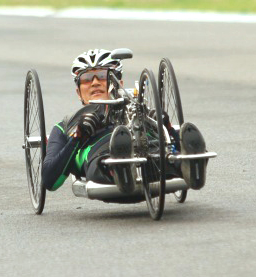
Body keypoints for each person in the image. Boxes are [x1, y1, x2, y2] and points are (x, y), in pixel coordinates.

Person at [41, 49, 209, 195]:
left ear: (119, 83)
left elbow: (162, 139)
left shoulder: (135, 108)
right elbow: (50, 181)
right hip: (100, 156)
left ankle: (190, 166)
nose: (95, 82)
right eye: (86, 79)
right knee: (102, 160)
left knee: (165, 154)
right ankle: (120, 169)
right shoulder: (65, 126)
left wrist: (164, 126)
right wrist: (77, 138)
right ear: (78, 92)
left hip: (148, 150)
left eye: (102, 75)